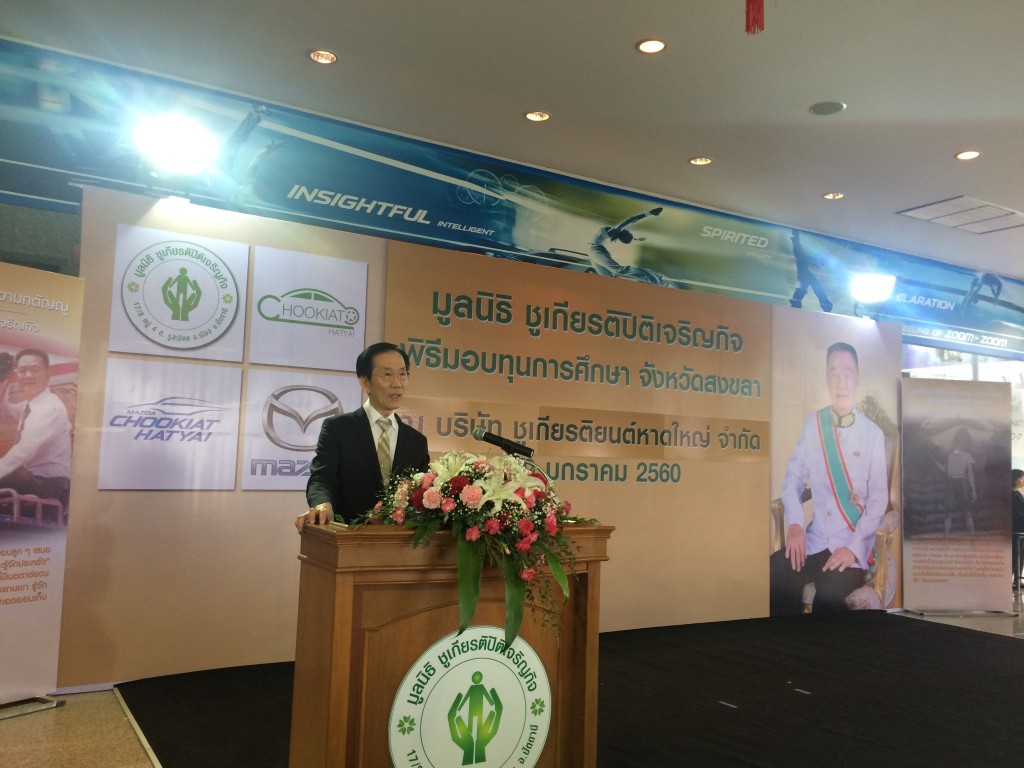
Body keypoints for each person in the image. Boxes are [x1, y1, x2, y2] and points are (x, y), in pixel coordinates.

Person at [770, 342, 888, 614]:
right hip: (814, 542)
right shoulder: (813, 424)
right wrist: (795, 524)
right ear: (826, 379)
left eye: (847, 374)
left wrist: (854, 549)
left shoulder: (873, 435)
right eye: (834, 374)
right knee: (775, 573)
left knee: (830, 597)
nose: (841, 382)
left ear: (857, 378)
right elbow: (793, 479)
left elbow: (879, 500)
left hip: (850, 548)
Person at [296, 342, 430, 530]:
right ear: (365, 382)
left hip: (400, 541)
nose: (397, 383)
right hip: (349, 537)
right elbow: (322, 477)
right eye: (387, 375)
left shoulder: (416, 441)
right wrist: (322, 504)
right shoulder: (338, 428)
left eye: (402, 374)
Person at [0, 349, 73, 508]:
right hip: (34, 480)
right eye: (22, 371)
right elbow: (6, 411)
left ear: (48, 374)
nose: (28, 376)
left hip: (52, 485)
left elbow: (22, 452)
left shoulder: (49, 407)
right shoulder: (31, 405)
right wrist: (2, 378)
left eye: (34, 370)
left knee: (10, 471)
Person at [587, 207, 669, 286]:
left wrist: (637, 239)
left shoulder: (613, 232)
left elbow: (628, 236)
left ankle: (653, 280)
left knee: (609, 277)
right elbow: (631, 219)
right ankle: (655, 279)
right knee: (616, 271)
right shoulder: (615, 230)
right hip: (595, 250)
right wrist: (649, 213)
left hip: (594, 251)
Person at [940, 427, 977, 537]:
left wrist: (973, 489)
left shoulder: (968, 455)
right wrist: (933, 460)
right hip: (951, 482)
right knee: (949, 512)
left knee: (967, 511)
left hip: (962, 482)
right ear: (957, 440)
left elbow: (970, 473)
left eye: (964, 440)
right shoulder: (949, 455)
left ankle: (973, 537)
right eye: (961, 440)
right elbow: (944, 469)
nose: (962, 443)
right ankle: (946, 538)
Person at [1012, 469, 1024, 588]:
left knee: (1020, 555)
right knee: (1016, 555)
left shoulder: (1019, 493)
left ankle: (1017, 580)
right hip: (1016, 529)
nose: (1023, 481)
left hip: (1021, 529)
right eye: (1021, 478)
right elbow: (1018, 513)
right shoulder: (1013, 494)